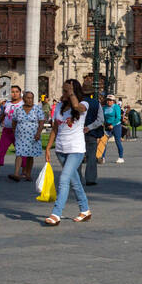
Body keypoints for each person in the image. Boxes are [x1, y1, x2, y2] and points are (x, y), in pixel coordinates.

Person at [42, 79, 93, 226]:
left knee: (64, 179)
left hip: (76, 149)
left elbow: (77, 106)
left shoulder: (84, 104)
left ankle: (56, 213)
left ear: (74, 91)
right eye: (63, 90)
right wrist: (48, 147)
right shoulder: (59, 106)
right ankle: (85, 210)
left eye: (66, 91)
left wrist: (71, 94)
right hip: (60, 149)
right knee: (74, 181)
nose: (63, 93)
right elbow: (55, 129)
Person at [7, 90, 45, 183]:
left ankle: (28, 174)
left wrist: (38, 133)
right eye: (28, 98)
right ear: (23, 99)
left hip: (33, 135)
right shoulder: (18, 109)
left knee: (30, 155)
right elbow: (14, 121)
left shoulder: (37, 109)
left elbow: (41, 122)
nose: (30, 100)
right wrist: (14, 130)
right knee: (19, 153)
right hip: (20, 135)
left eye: (31, 98)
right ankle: (16, 173)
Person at [0, 84, 23, 179]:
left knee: (21, 151)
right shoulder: (8, 103)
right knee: (1, 150)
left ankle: (23, 172)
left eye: (17, 92)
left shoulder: (23, 104)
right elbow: (3, 115)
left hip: (19, 131)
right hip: (7, 130)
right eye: (12, 92)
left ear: (20, 93)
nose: (14, 94)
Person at [81, 85, 104, 185]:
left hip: (78, 134)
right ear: (92, 93)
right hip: (92, 134)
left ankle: (76, 179)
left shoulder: (78, 103)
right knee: (91, 157)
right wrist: (89, 127)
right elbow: (100, 120)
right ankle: (90, 179)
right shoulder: (96, 103)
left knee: (77, 157)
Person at [103, 95, 125, 164]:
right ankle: (102, 157)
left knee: (117, 141)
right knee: (104, 142)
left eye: (110, 100)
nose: (109, 101)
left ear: (113, 101)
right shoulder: (104, 108)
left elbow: (118, 117)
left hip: (116, 126)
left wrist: (113, 125)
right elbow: (103, 117)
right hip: (107, 126)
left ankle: (121, 157)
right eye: (108, 100)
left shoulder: (116, 107)